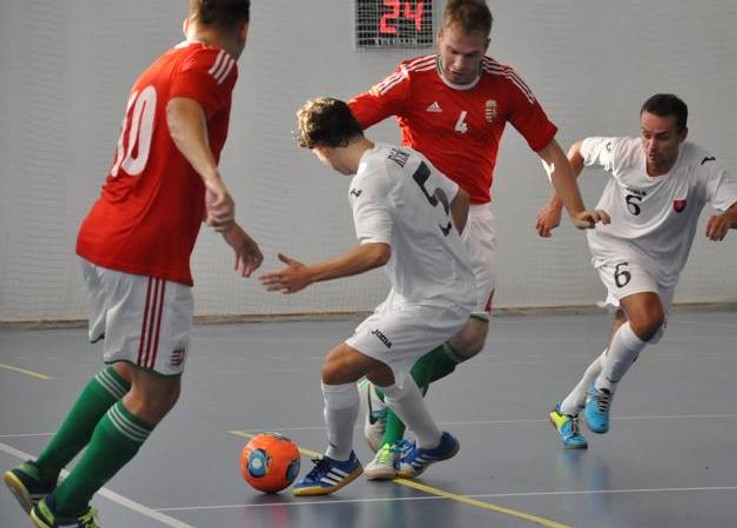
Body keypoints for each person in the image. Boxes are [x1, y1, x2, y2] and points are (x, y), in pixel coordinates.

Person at [2, 2, 261, 526]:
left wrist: (229, 229)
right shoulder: (215, 61)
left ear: (186, 17)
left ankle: (40, 474)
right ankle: (64, 509)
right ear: (243, 27)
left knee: (126, 370)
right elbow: (181, 114)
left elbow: (165, 157)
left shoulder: (159, 65)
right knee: (157, 392)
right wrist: (215, 179)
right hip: (146, 254)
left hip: (106, 236)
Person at [348, 0, 608, 478]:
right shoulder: (412, 76)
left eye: (470, 55)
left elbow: (549, 150)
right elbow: (349, 120)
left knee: (469, 337)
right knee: (421, 325)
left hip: (477, 216)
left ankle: (381, 386)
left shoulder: (505, 85)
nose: (458, 63)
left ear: (486, 48)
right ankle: (391, 447)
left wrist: (573, 208)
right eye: (451, 51)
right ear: (439, 40)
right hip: (422, 216)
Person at [259, 96, 478, 493]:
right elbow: (460, 197)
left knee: (336, 368)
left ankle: (340, 460)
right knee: (382, 369)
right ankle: (433, 442)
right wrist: (441, 254)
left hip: (435, 300)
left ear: (323, 149)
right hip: (427, 290)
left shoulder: (367, 181)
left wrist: (310, 274)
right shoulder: (402, 155)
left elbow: (377, 251)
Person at [546, 93, 737, 448]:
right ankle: (604, 391)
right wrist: (558, 206)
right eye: (646, 133)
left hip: (661, 263)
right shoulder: (624, 151)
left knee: (624, 342)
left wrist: (726, 217)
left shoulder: (701, 167)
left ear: (682, 135)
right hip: (613, 242)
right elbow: (577, 151)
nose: (651, 144)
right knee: (647, 320)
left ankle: (566, 409)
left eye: (662, 137)